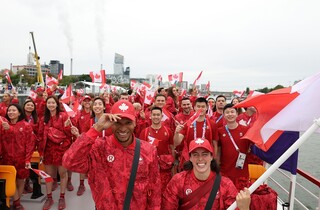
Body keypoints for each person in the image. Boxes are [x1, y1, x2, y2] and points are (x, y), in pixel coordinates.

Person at [63, 100, 161, 209]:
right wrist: (96, 129)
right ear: (111, 123)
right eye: (118, 122)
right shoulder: (99, 148)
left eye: (128, 123)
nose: (123, 128)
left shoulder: (148, 150)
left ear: (135, 123)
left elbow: (154, 188)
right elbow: (69, 162)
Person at [162, 138, 251, 209]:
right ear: (190, 158)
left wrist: (244, 208)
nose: (200, 159)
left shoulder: (225, 184)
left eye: (205, 154)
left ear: (211, 156)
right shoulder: (178, 181)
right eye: (195, 155)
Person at [38, 96, 73, 210]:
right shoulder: (44, 118)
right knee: (48, 176)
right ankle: (49, 197)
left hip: (61, 150)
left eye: (53, 103)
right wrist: (40, 151)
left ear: (57, 104)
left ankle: (61, 197)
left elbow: (69, 135)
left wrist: (67, 127)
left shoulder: (63, 116)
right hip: (48, 151)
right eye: (49, 103)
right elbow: (40, 135)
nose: (51, 105)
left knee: (63, 174)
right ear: (46, 105)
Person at [1, 104, 35, 210]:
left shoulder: (26, 126)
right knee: (11, 181)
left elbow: (30, 144)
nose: (11, 112)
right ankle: (17, 202)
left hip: (21, 159)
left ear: (19, 112)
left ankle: (17, 201)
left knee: (21, 181)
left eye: (13, 110)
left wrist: (28, 159)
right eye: (9, 110)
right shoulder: (3, 125)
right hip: (6, 159)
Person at [174, 97, 218, 170]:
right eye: (198, 106)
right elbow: (177, 142)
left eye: (203, 107)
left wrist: (214, 159)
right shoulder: (188, 123)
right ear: (194, 107)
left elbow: (215, 144)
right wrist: (176, 132)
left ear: (207, 108)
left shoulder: (212, 124)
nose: (201, 109)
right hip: (190, 157)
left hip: (205, 158)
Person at [139, 107, 174, 192]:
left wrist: (172, 165)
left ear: (161, 116)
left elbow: (172, 148)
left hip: (164, 169)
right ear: (150, 116)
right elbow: (141, 152)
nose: (156, 117)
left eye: (158, 115)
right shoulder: (145, 132)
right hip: (150, 169)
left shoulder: (168, 131)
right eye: (154, 115)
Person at [217, 104, 251, 190]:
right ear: (224, 115)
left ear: (237, 114)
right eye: (227, 112)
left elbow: (252, 147)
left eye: (232, 112)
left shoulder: (246, 130)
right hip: (225, 172)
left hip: (242, 173)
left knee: (240, 199)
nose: (230, 114)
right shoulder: (220, 131)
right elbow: (218, 151)